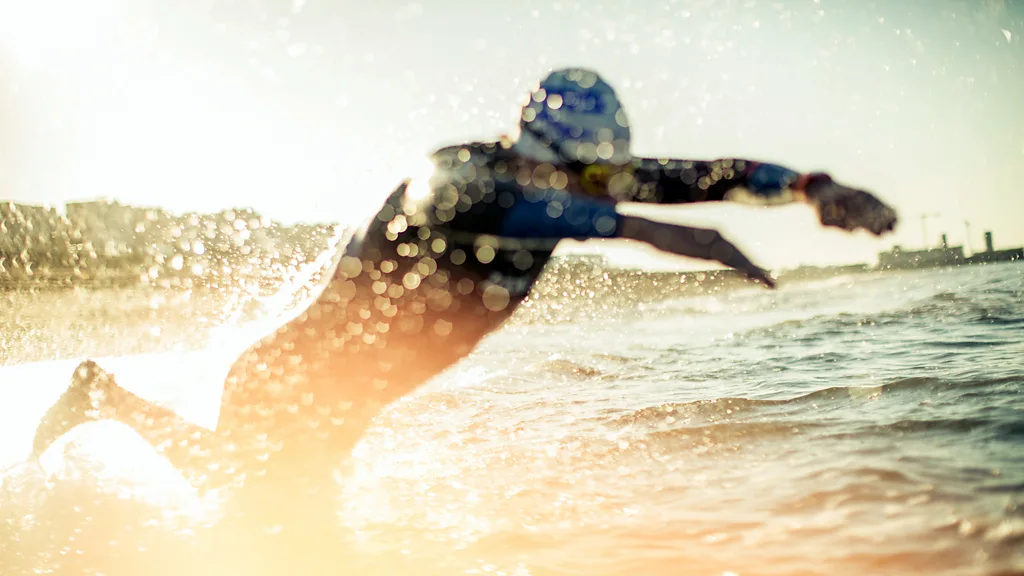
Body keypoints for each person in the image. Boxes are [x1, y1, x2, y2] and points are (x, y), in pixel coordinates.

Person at [31, 67, 896, 563]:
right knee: (270, 532)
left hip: (341, 406)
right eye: (583, 176)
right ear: (535, 148)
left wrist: (814, 188)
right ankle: (103, 397)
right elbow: (543, 215)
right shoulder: (450, 177)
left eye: (603, 177)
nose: (594, 189)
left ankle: (104, 396)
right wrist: (673, 237)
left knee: (287, 534)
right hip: (284, 381)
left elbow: (707, 173)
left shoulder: (583, 183)